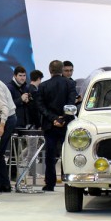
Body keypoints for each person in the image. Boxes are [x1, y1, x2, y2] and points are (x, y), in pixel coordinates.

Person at [35, 60, 77, 192]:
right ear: (62, 70)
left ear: (50, 70)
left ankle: (50, 184)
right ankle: (69, 182)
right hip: (66, 125)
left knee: (50, 155)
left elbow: (40, 106)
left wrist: (53, 119)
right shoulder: (70, 84)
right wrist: (63, 118)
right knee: (68, 154)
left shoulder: (43, 86)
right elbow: (71, 104)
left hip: (50, 124)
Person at [0, 76, 17, 192]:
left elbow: (4, 107)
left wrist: (2, 124)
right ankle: (4, 185)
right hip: (6, 118)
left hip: (4, 119)